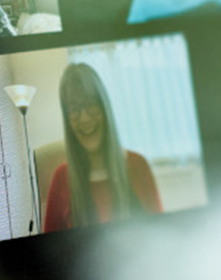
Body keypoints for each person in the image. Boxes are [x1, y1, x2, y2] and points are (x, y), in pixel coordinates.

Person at [42, 64, 162, 232]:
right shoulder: (61, 178)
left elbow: (160, 235)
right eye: (74, 109)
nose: (84, 119)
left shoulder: (138, 165)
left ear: (105, 108)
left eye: (91, 104)